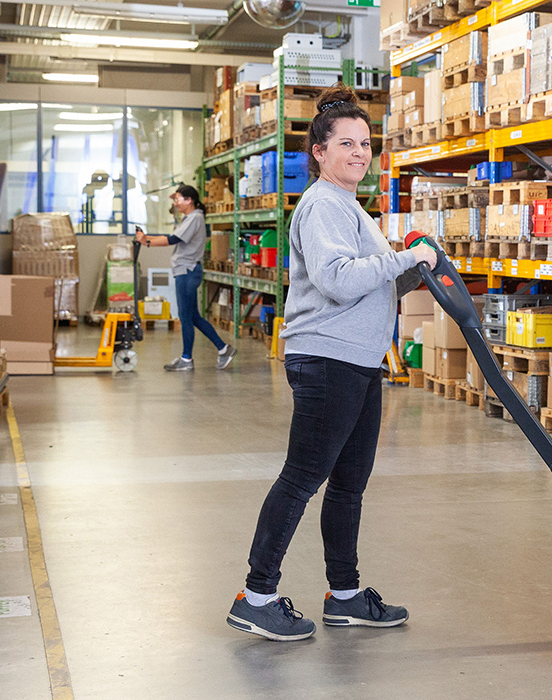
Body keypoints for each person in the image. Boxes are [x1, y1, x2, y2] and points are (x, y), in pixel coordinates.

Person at [226, 84, 438, 642]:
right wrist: (402, 258)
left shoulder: (353, 209)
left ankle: (344, 594)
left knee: (348, 485)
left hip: (359, 363)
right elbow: (339, 281)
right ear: (318, 151)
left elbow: (376, 282)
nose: (360, 153)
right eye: (347, 143)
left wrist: (417, 267)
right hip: (327, 360)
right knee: (302, 478)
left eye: (366, 144)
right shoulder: (322, 205)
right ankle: (257, 594)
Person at [136, 185, 236, 371]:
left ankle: (187, 359)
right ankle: (223, 349)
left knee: (185, 315)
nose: (176, 203)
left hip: (187, 271)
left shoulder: (195, 218)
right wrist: (146, 238)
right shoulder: (190, 218)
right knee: (193, 316)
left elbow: (173, 239)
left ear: (189, 200)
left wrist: (146, 241)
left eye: (178, 199)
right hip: (186, 270)